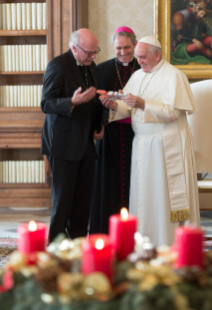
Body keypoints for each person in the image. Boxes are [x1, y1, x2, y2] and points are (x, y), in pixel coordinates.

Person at [100, 36, 200, 246]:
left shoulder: (174, 76)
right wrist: (113, 106)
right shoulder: (138, 75)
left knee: (163, 197)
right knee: (145, 196)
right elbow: (127, 106)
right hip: (143, 145)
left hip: (166, 145)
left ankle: (169, 242)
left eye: (143, 57)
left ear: (157, 54)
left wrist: (143, 103)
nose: (140, 61)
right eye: (138, 57)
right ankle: (146, 242)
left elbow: (173, 112)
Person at [40, 29, 103, 242]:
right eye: (89, 52)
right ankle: (55, 250)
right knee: (63, 202)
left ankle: (77, 245)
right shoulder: (57, 65)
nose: (93, 57)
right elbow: (46, 104)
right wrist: (72, 102)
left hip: (85, 143)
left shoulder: (91, 67)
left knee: (82, 201)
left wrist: (99, 124)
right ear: (74, 48)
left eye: (95, 52)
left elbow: (91, 102)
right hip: (63, 144)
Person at [89, 26, 140, 234]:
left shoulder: (143, 68)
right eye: (118, 48)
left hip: (137, 134)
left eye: (127, 47)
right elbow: (93, 104)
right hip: (109, 134)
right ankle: (104, 231)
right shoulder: (101, 69)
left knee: (134, 182)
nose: (122, 52)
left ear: (135, 45)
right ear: (113, 47)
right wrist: (97, 125)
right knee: (107, 183)